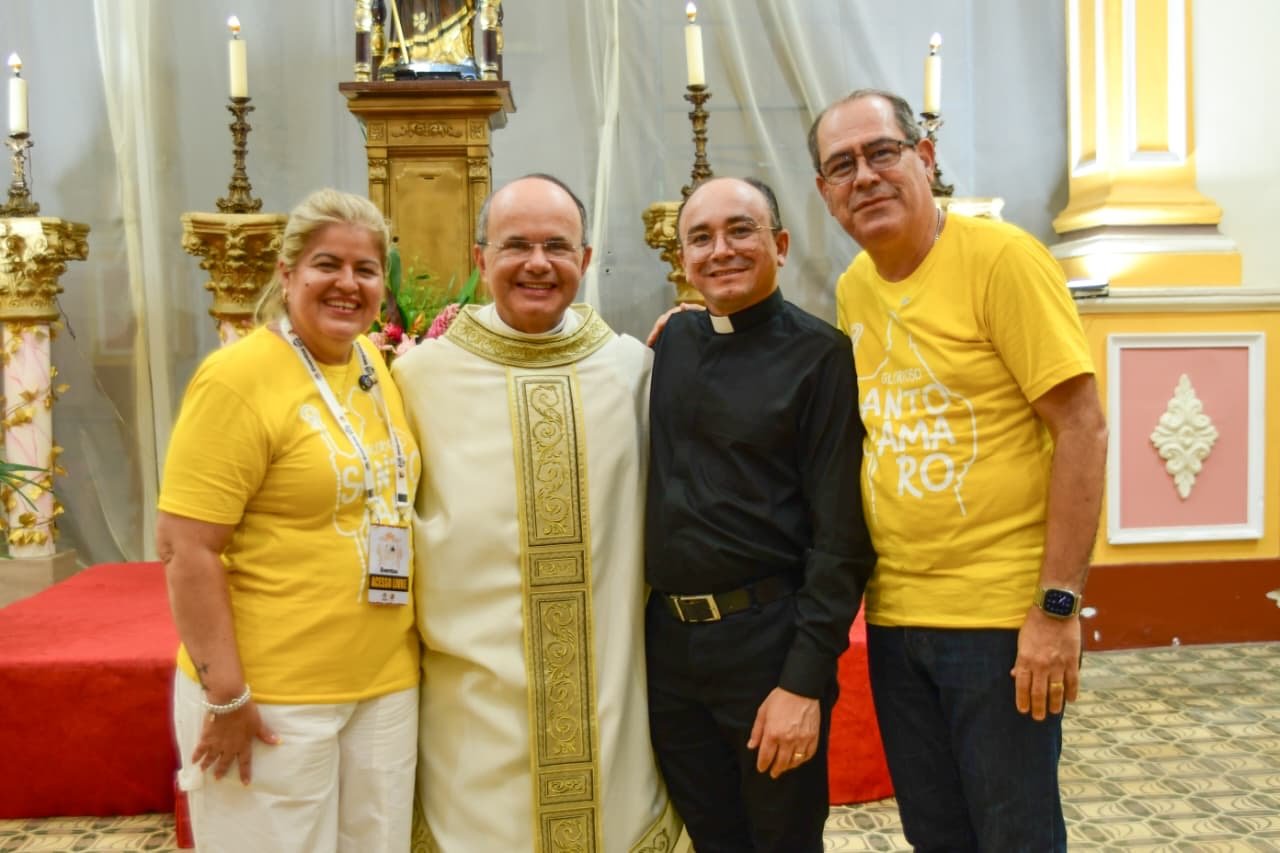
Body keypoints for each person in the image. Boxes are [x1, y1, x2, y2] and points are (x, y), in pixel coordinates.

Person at [809, 88, 1108, 851]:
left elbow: (1082, 428)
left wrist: (1057, 609)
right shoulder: (854, 288)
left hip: (998, 621)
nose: (864, 176)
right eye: (842, 165)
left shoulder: (1003, 261)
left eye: (882, 152)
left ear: (925, 157)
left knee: (1015, 835)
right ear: (825, 192)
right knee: (937, 834)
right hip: (897, 618)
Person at [392, 174, 679, 851]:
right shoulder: (421, 379)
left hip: (607, 689)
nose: (537, 263)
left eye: (557, 246)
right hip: (474, 698)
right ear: (480, 257)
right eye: (516, 245)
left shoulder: (633, 371)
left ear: (586, 258)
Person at [156, 188, 421, 852]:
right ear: (287, 272)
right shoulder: (237, 378)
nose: (348, 283)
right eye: (327, 264)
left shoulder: (371, 363)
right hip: (271, 695)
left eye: (366, 269)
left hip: (384, 684)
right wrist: (225, 695)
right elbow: (186, 548)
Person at [644, 175, 877, 852]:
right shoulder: (674, 341)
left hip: (769, 645)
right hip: (670, 650)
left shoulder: (822, 357)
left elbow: (841, 541)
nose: (720, 250)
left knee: (782, 841)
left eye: (740, 230)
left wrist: (802, 683)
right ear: (683, 260)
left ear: (780, 244)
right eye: (701, 238)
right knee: (711, 839)